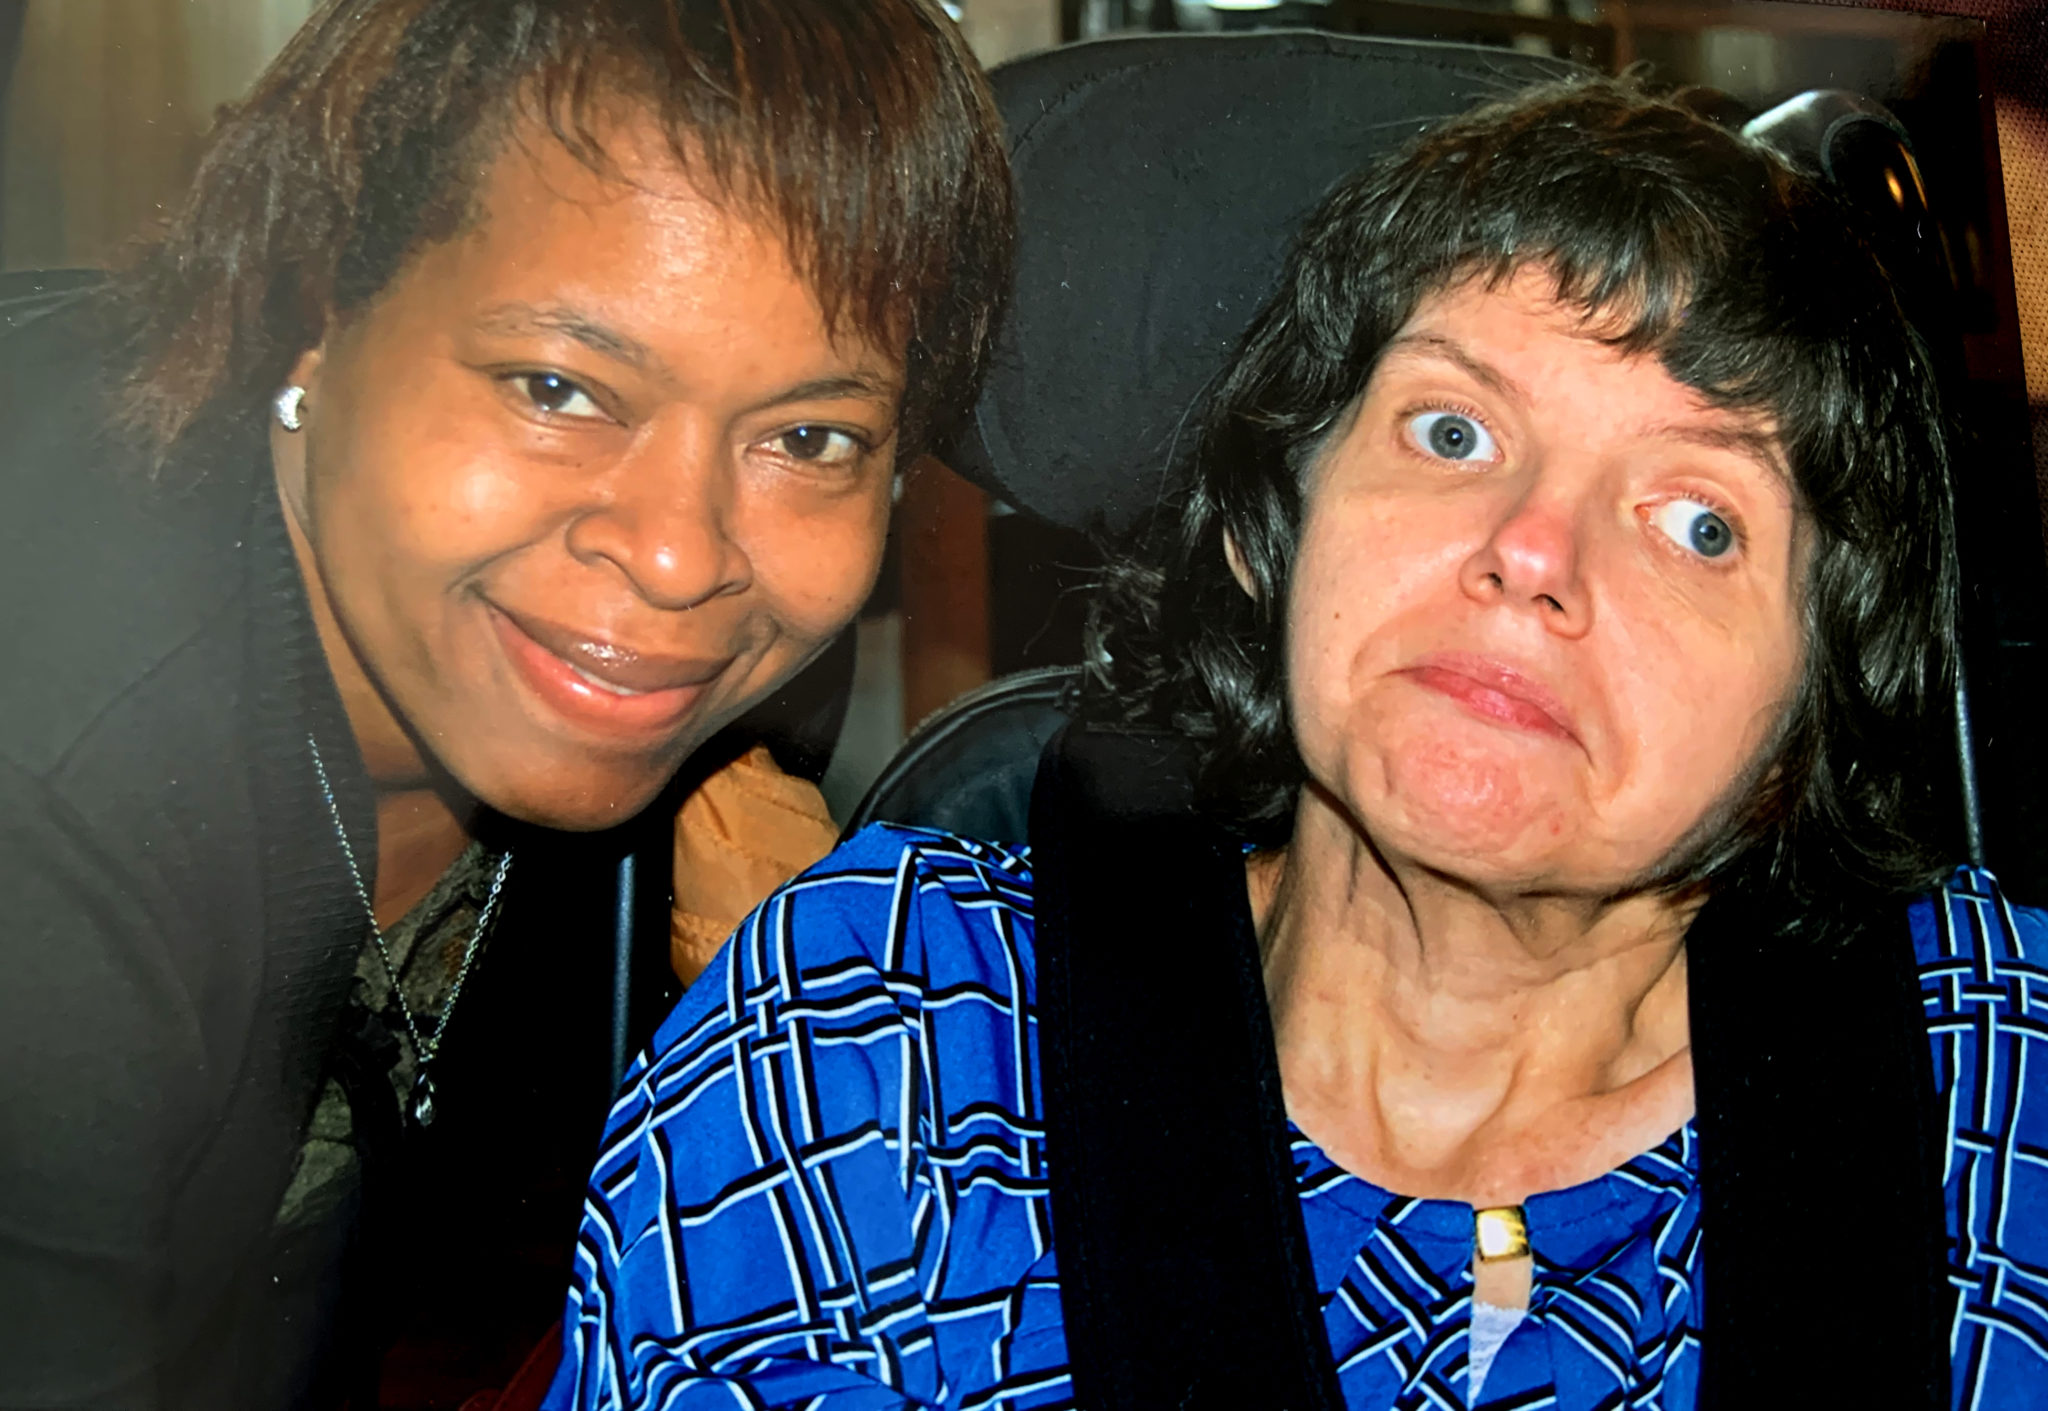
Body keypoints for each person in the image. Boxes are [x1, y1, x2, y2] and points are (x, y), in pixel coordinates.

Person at [542, 77, 2048, 1409]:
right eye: (1453, 431)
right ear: (1278, 527)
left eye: (1700, 521)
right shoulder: (867, 1057)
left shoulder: (2001, 1090)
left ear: (1817, 703)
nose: (1532, 551)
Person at [0, 1, 1011, 1405]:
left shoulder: (707, 685)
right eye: (558, 388)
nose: (681, 555)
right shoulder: (52, 769)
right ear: (312, 310)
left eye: (809, 436)